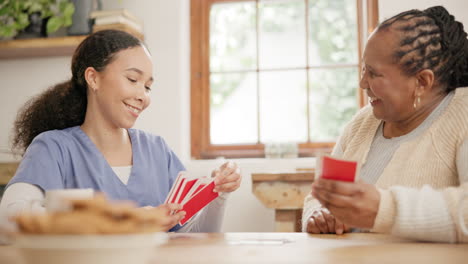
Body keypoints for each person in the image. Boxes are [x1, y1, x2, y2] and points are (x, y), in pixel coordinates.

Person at [0, 30, 241, 232]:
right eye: (133, 79)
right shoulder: (53, 148)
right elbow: (9, 219)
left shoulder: (157, 150)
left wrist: (218, 195)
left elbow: (192, 236)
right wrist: (130, 221)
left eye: (148, 86)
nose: (142, 96)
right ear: (93, 79)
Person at [302, 6, 468, 243]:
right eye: (363, 69)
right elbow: (321, 194)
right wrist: (319, 213)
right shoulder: (362, 122)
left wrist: (382, 208)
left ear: (422, 81)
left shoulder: (463, 115)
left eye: (373, 73)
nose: (362, 83)